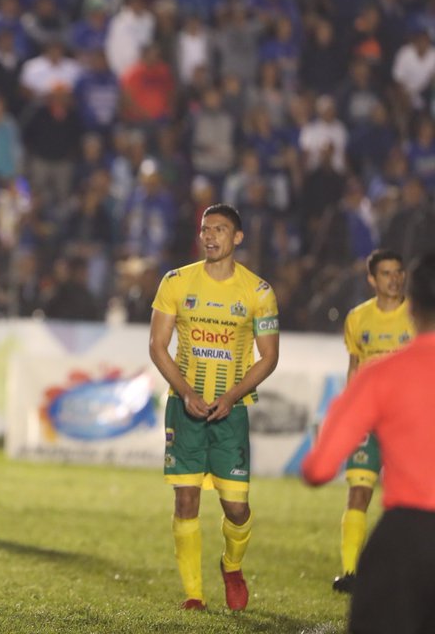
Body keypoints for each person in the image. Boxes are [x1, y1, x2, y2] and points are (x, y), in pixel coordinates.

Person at [148, 203, 280, 611]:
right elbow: (157, 346)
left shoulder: (258, 292)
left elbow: (269, 357)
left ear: (237, 237)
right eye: (206, 229)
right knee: (186, 501)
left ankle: (232, 565)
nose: (210, 236)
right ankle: (193, 595)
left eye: (220, 230)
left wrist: (231, 396)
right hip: (184, 407)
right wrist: (186, 392)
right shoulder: (175, 282)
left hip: (230, 412)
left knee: (236, 509)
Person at [303, 251, 435, 634]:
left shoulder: (382, 375)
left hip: (406, 534)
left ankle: (351, 570)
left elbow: (319, 468)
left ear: (412, 310)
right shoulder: (360, 323)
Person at [332, 249, 413, 594]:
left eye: (398, 272)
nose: (394, 279)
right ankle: (351, 573)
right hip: (370, 420)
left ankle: (408, 573)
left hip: (409, 423)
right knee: (359, 493)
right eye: (386, 273)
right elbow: (355, 367)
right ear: (372, 279)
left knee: (406, 503)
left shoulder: (421, 314)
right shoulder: (357, 319)